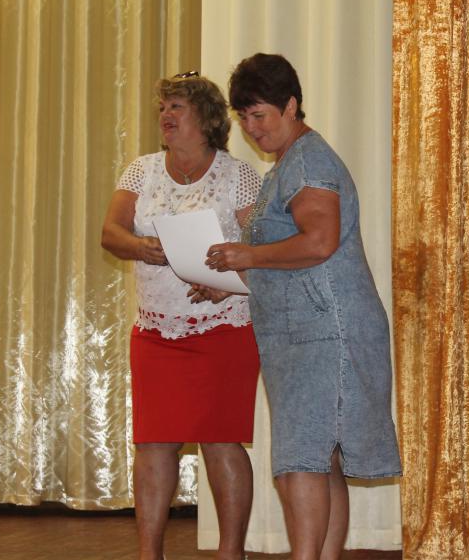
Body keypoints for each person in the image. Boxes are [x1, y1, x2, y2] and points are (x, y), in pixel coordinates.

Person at [201, 53, 402, 560]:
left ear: (291, 106)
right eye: (243, 117)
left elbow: (319, 242)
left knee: (301, 462)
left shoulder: (309, 161)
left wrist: (248, 255)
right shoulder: (287, 166)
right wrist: (232, 281)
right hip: (307, 334)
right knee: (318, 459)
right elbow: (288, 257)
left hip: (325, 332)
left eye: (260, 115)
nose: (251, 128)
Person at [101, 71, 262, 560]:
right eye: (163, 108)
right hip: (156, 329)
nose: (166, 116)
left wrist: (225, 280)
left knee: (221, 441)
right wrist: (140, 247)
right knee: (154, 443)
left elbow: (261, 247)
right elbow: (111, 233)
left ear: (206, 118)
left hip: (224, 325)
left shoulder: (239, 174)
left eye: (177, 107)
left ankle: (230, 553)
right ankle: (149, 554)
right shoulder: (141, 170)